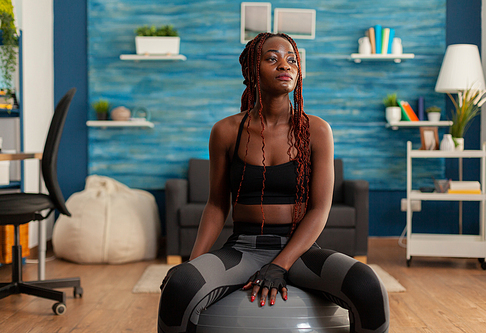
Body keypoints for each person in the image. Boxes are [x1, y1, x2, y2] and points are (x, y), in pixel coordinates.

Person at [157, 32, 390, 333]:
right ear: (253, 70)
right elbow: (216, 205)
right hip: (242, 248)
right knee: (179, 285)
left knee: (368, 285)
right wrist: (193, 262)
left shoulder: (317, 131)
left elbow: (320, 209)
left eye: (292, 59)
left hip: (301, 250)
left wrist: (281, 264)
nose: (285, 65)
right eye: (272, 58)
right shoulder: (226, 131)